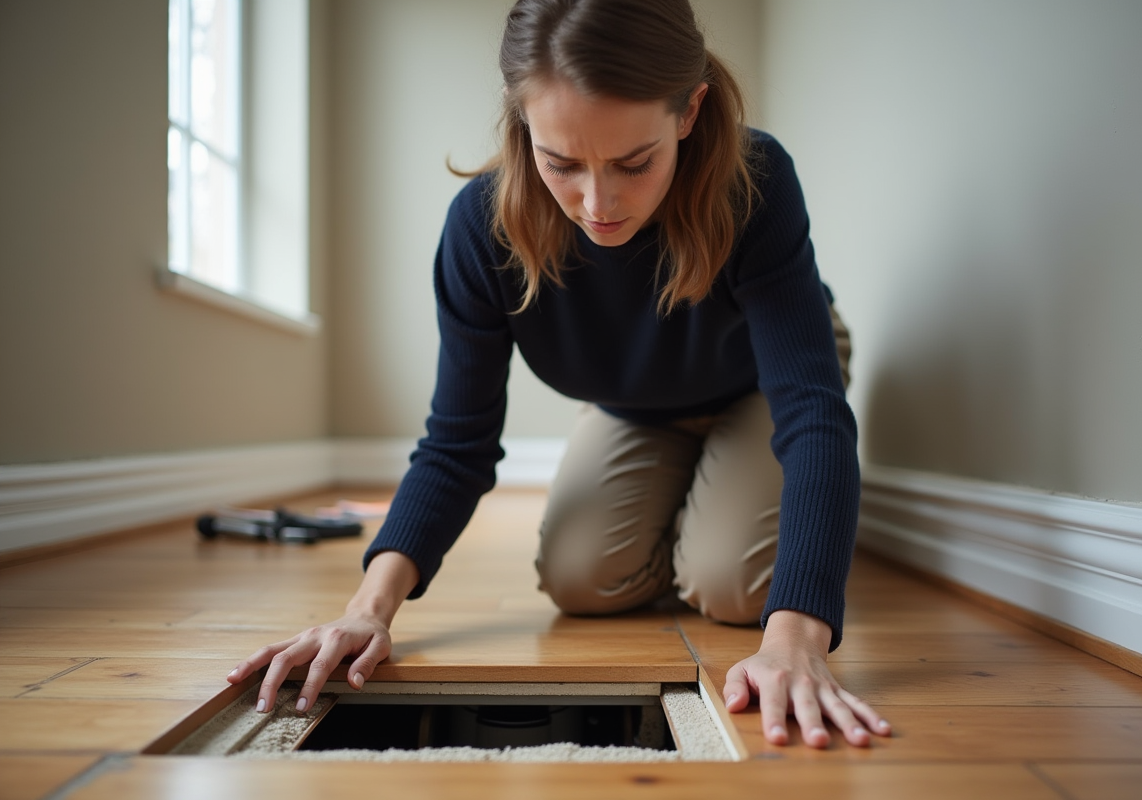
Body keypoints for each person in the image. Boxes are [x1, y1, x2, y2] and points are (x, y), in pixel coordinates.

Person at [228, 0, 890, 749]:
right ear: (521, 121)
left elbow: (811, 413)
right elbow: (457, 444)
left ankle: (738, 518)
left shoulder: (755, 179)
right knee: (581, 581)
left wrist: (797, 636)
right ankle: (709, 496)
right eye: (562, 163)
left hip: (763, 383)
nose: (597, 205)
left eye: (633, 163)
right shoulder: (479, 231)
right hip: (634, 395)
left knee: (735, 586)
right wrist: (368, 608)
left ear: (689, 111)